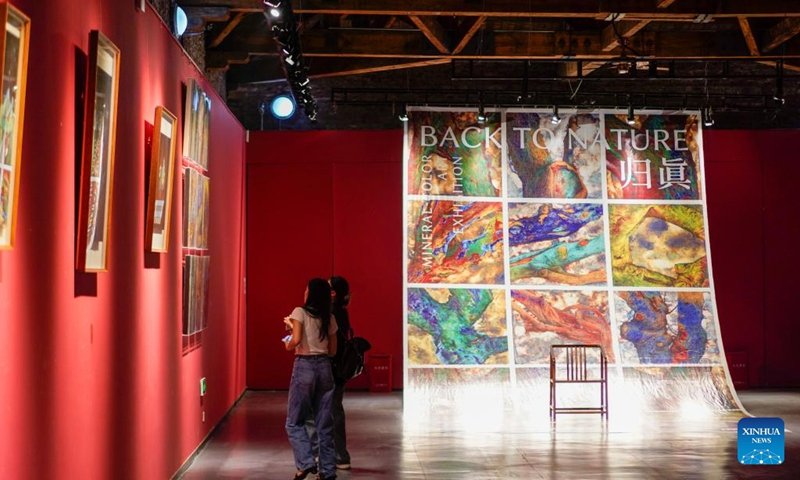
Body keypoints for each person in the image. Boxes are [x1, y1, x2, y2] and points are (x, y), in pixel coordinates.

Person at [284, 278, 338, 480]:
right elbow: (333, 351)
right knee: (324, 424)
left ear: (311, 293)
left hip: (304, 366)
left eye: (306, 289)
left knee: (294, 421)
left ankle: (306, 462)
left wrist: (288, 331)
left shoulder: (299, 312)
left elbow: (294, 342)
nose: (304, 292)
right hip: (324, 367)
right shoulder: (330, 318)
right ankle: (328, 471)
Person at [329, 276, 352, 470]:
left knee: (333, 411)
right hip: (341, 369)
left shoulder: (332, 314)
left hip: (333, 369)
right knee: (335, 409)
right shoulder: (342, 312)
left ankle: (339, 455)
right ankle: (339, 454)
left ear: (333, 293)